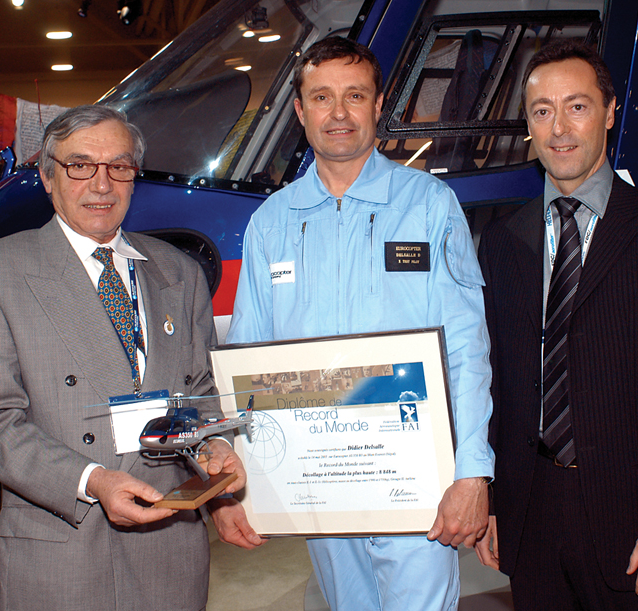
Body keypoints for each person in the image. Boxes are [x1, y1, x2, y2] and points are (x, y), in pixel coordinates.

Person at [209, 36, 494, 611]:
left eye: (354, 96)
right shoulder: (272, 223)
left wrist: (473, 473)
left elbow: (466, 349)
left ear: (378, 104)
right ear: (300, 110)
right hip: (321, 478)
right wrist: (239, 483)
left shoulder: (430, 205)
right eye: (322, 97)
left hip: (418, 477)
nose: (338, 114)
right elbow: (247, 359)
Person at [0, 105, 246, 611]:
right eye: (80, 165)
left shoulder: (179, 272)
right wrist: (92, 481)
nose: (102, 184)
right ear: (47, 176)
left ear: (136, 177)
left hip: (169, 545)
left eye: (120, 166)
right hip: (63, 548)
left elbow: (200, 391)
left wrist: (212, 446)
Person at [476, 40, 638, 609]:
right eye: (542, 111)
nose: (559, 128)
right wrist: (496, 501)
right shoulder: (501, 242)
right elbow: (498, 383)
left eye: (577, 106)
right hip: (532, 516)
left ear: (611, 111)